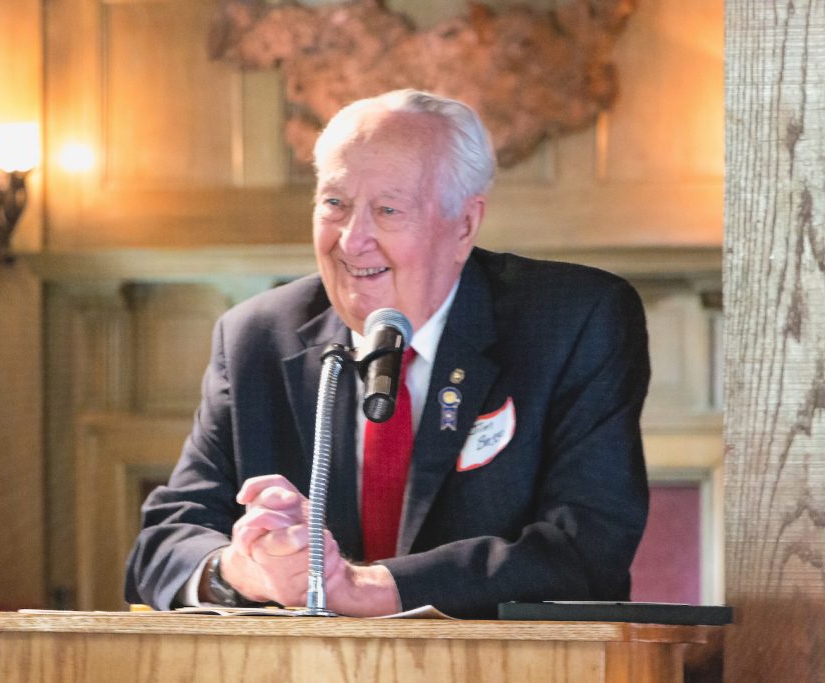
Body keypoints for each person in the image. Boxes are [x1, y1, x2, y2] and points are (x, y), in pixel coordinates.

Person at [124, 89, 650, 618]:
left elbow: (588, 551)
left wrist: (370, 587)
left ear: (464, 225)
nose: (353, 242)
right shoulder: (257, 337)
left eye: (387, 210)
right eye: (335, 204)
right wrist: (244, 567)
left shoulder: (573, 321)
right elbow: (162, 545)